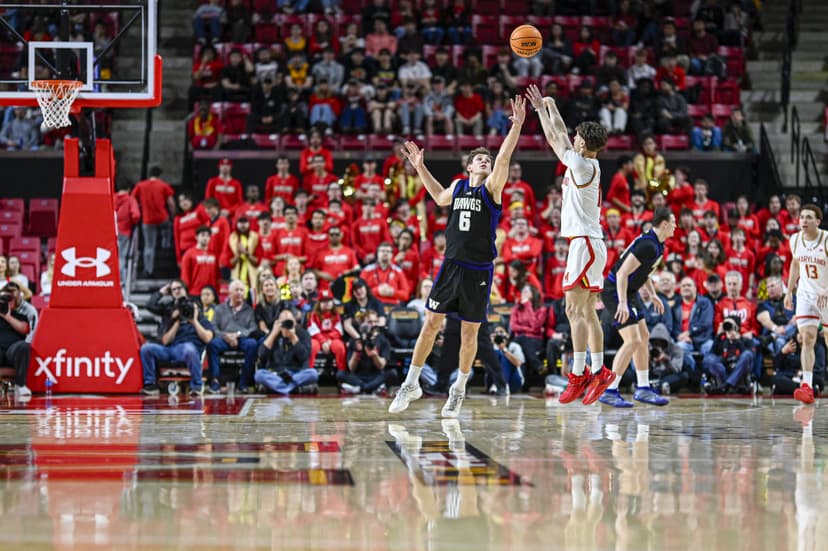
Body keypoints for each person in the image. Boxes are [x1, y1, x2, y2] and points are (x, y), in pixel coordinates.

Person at [387, 94, 526, 418]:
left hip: (478, 270)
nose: (485, 161)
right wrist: (420, 167)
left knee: (469, 333)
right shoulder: (459, 186)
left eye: (486, 160)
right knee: (430, 323)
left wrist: (516, 126)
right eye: (479, 159)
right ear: (468, 166)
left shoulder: (491, 188)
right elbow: (437, 196)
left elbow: (504, 158)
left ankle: (459, 389)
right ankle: (411, 383)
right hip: (451, 266)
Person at [525, 84, 611, 405]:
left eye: (577, 138)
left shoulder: (581, 165)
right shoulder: (589, 162)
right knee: (587, 313)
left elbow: (554, 138)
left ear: (583, 144)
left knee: (573, 310)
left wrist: (541, 110)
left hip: (584, 244)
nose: (572, 139)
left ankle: (578, 374)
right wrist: (549, 105)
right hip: (592, 243)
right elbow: (562, 134)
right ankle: (600, 370)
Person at [598, 207, 676, 407]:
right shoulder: (648, 245)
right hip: (615, 290)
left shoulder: (658, 245)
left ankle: (643, 388)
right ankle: (609, 389)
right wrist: (622, 303)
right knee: (632, 340)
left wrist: (653, 295)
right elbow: (623, 273)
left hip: (629, 292)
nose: (676, 226)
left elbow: (644, 273)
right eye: (673, 222)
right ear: (664, 224)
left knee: (644, 337)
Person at [784, 204, 828, 404]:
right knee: (807, 337)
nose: (804, 220)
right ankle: (807, 386)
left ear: (817, 221)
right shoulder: (795, 240)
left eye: (809, 217)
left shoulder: (826, 239)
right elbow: (795, 263)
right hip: (805, 294)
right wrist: (789, 291)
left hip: (825, 293)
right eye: (802, 217)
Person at [140, 289, 215, 397]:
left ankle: (196, 386)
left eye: (192, 309)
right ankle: (150, 385)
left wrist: (194, 321)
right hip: (171, 350)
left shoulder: (204, 322)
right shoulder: (174, 321)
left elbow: (208, 338)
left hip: (189, 351)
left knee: (189, 348)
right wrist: (177, 321)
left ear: (198, 310)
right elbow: (165, 341)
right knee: (147, 348)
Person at [206, 279, 258, 394]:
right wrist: (226, 336)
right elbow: (214, 327)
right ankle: (215, 381)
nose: (239, 293)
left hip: (242, 339)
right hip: (224, 339)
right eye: (236, 290)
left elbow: (253, 328)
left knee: (253, 344)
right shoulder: (219, 308)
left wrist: (237, 335)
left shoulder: (249, 310)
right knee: (212, 345)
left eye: (241, 290)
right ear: (229, 293)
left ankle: (244, 383)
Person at [255, 307, 318, 394]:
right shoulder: (272, 334)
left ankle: (280, 388)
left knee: (313, 373)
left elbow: (304, 357)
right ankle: (292, 389)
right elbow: (261, 355)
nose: (286, 325)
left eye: (289, 322)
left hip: (296, 373)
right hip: (276, 374)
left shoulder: (303, 334)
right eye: (283, 322)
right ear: (278, 323)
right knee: (259, 375)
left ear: (294, 322)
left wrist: (293, 338)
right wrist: (273, 334)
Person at [338, 309, 396, 394]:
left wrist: (374, 355)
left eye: (375, 322)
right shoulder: (355, 340)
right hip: (358, 376)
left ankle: (361, 388)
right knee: (340, 374)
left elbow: (382, 365)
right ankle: (370, 388)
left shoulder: (383, 339)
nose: (373, 325)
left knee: (392, 373)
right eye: (370, 322)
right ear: (362, 323)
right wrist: (356, 353)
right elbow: (351, 368)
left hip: (375, 375)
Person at [131, 166, 175, 277]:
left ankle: (148, 270)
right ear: (160, 175)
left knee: (149, 246)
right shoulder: (163, 185)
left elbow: (132, 200)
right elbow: (171, 203)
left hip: (147, 219)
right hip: (162, 218)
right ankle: (166, 245)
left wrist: (138, 209)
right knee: (168, 227)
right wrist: (173, 216)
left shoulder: (140, 185)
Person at [0, 282, 32, 397]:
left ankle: (20, 385)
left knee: (24, 346)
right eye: (3, 298)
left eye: (9, 299)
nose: (5, 302)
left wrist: (7, 317)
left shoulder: (20, 316)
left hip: (12, 352)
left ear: (13, 302)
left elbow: (24, 329)